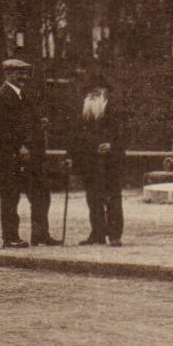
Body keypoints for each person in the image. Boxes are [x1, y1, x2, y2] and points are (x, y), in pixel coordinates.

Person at [0, 58, 58, 247]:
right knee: (11, 198)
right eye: (19, 73)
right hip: (11, 159)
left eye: (25, 73)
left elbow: (26, 124)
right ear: (7, 74)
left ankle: (40, 234)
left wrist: (40, 123)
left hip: (30, 158)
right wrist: (19, 147)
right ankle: (10, 238)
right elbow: (0, 131)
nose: (23, 77)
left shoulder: (23, 96)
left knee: (41, 194)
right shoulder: (1, 97)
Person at [72, 79, 127, 246]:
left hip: (110, 163)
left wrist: (112, 145)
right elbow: (74, 137)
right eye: (91, 91)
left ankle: (115, 235)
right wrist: (71, 157)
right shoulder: (84, 113)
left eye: (98, 91)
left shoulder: (117, 110)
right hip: (90, 163)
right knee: (93, 200)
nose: (94, 94)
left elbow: (127, 134)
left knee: (112, 199)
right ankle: (97, 234)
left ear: (105, 92)